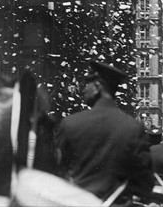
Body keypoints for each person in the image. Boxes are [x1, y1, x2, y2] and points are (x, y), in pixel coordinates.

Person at [56, 60, 155, 203]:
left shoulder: (70, 123)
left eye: (87, 84)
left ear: (97, 87)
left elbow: (56, 174)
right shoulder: (133, 128)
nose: (83, 90)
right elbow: (145, 184)